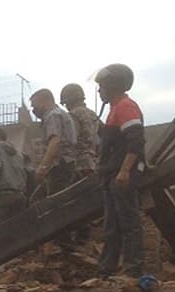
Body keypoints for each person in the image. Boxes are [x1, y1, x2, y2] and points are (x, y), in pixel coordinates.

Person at [95, 63, 146, 279]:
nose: (99, 91)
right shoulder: (114, 110)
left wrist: (125, 171)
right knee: (112, 224)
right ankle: (107, 269)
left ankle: (133, 269)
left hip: (121, 175)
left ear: (112, 85)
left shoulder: (126, 107)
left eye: (102, 86)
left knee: (129, 222)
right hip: (112, 174)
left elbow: (135, 142)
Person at [31, 89, 78, 196]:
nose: (34, 110)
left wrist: (43, 167)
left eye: (35, 106)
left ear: (44, 101)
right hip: (66, 164)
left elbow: (55, 142)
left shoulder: (53, 115)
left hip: (60, 165)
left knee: (56, 203)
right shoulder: (61, 113)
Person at [0, 127, 29, 226]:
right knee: (18, 230)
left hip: (3, 196)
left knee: (1, 233)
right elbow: (26, 173)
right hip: (20, 196)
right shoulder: (18, 154)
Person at [60, 83, 101, 178]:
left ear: (69, 102)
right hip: (94, 161)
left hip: (79, 164)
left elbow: (71, 140)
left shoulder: (72, 115)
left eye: (66, 103)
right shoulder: (92, 114)